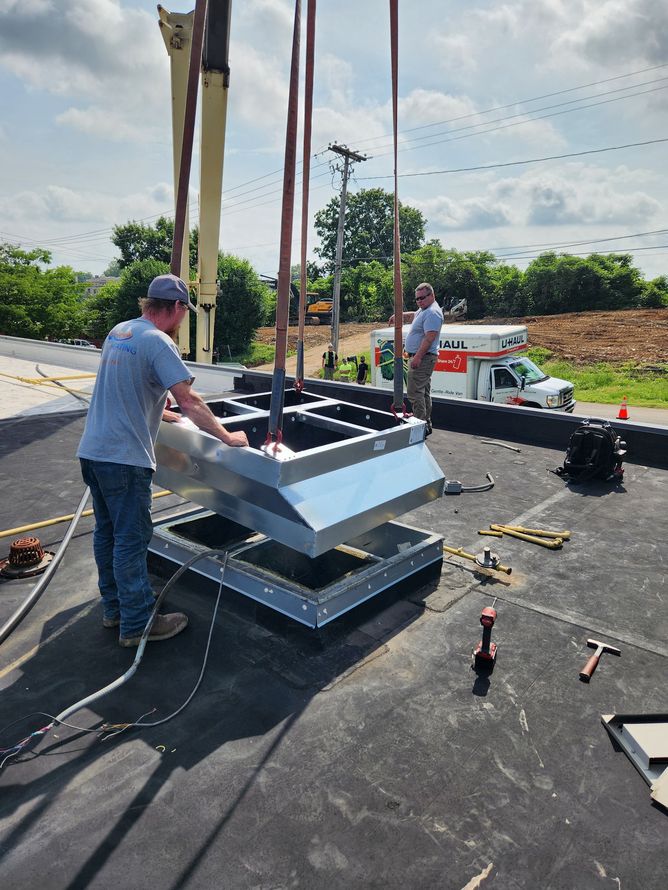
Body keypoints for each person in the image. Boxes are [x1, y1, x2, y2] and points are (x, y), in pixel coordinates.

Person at [77, 273, 248, 648]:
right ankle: (137, 623)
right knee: (132, 538)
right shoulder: (158, 342)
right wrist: (226, 436)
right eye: (183, 313)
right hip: (123, 459)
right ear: (174, 308)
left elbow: (132, 384)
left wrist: (160, 410)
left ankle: (116, 609)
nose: (182, 321)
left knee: (107, 534)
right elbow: (190, 400)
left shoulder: (120, 332)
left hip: (92, 452)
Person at [388, 282, 443, 434]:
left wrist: (417, 357)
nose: (419, 301)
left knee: (414, 393)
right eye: (417, 299)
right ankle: (425, 423)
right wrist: (401, 315)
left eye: (422, 298)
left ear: (432, 296)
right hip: (423, 357)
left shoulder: (432, 313)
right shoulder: (425, 310)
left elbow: (429, 337)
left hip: (423, 358)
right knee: (423, 392)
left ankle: (419, 427)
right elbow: (415, 314)